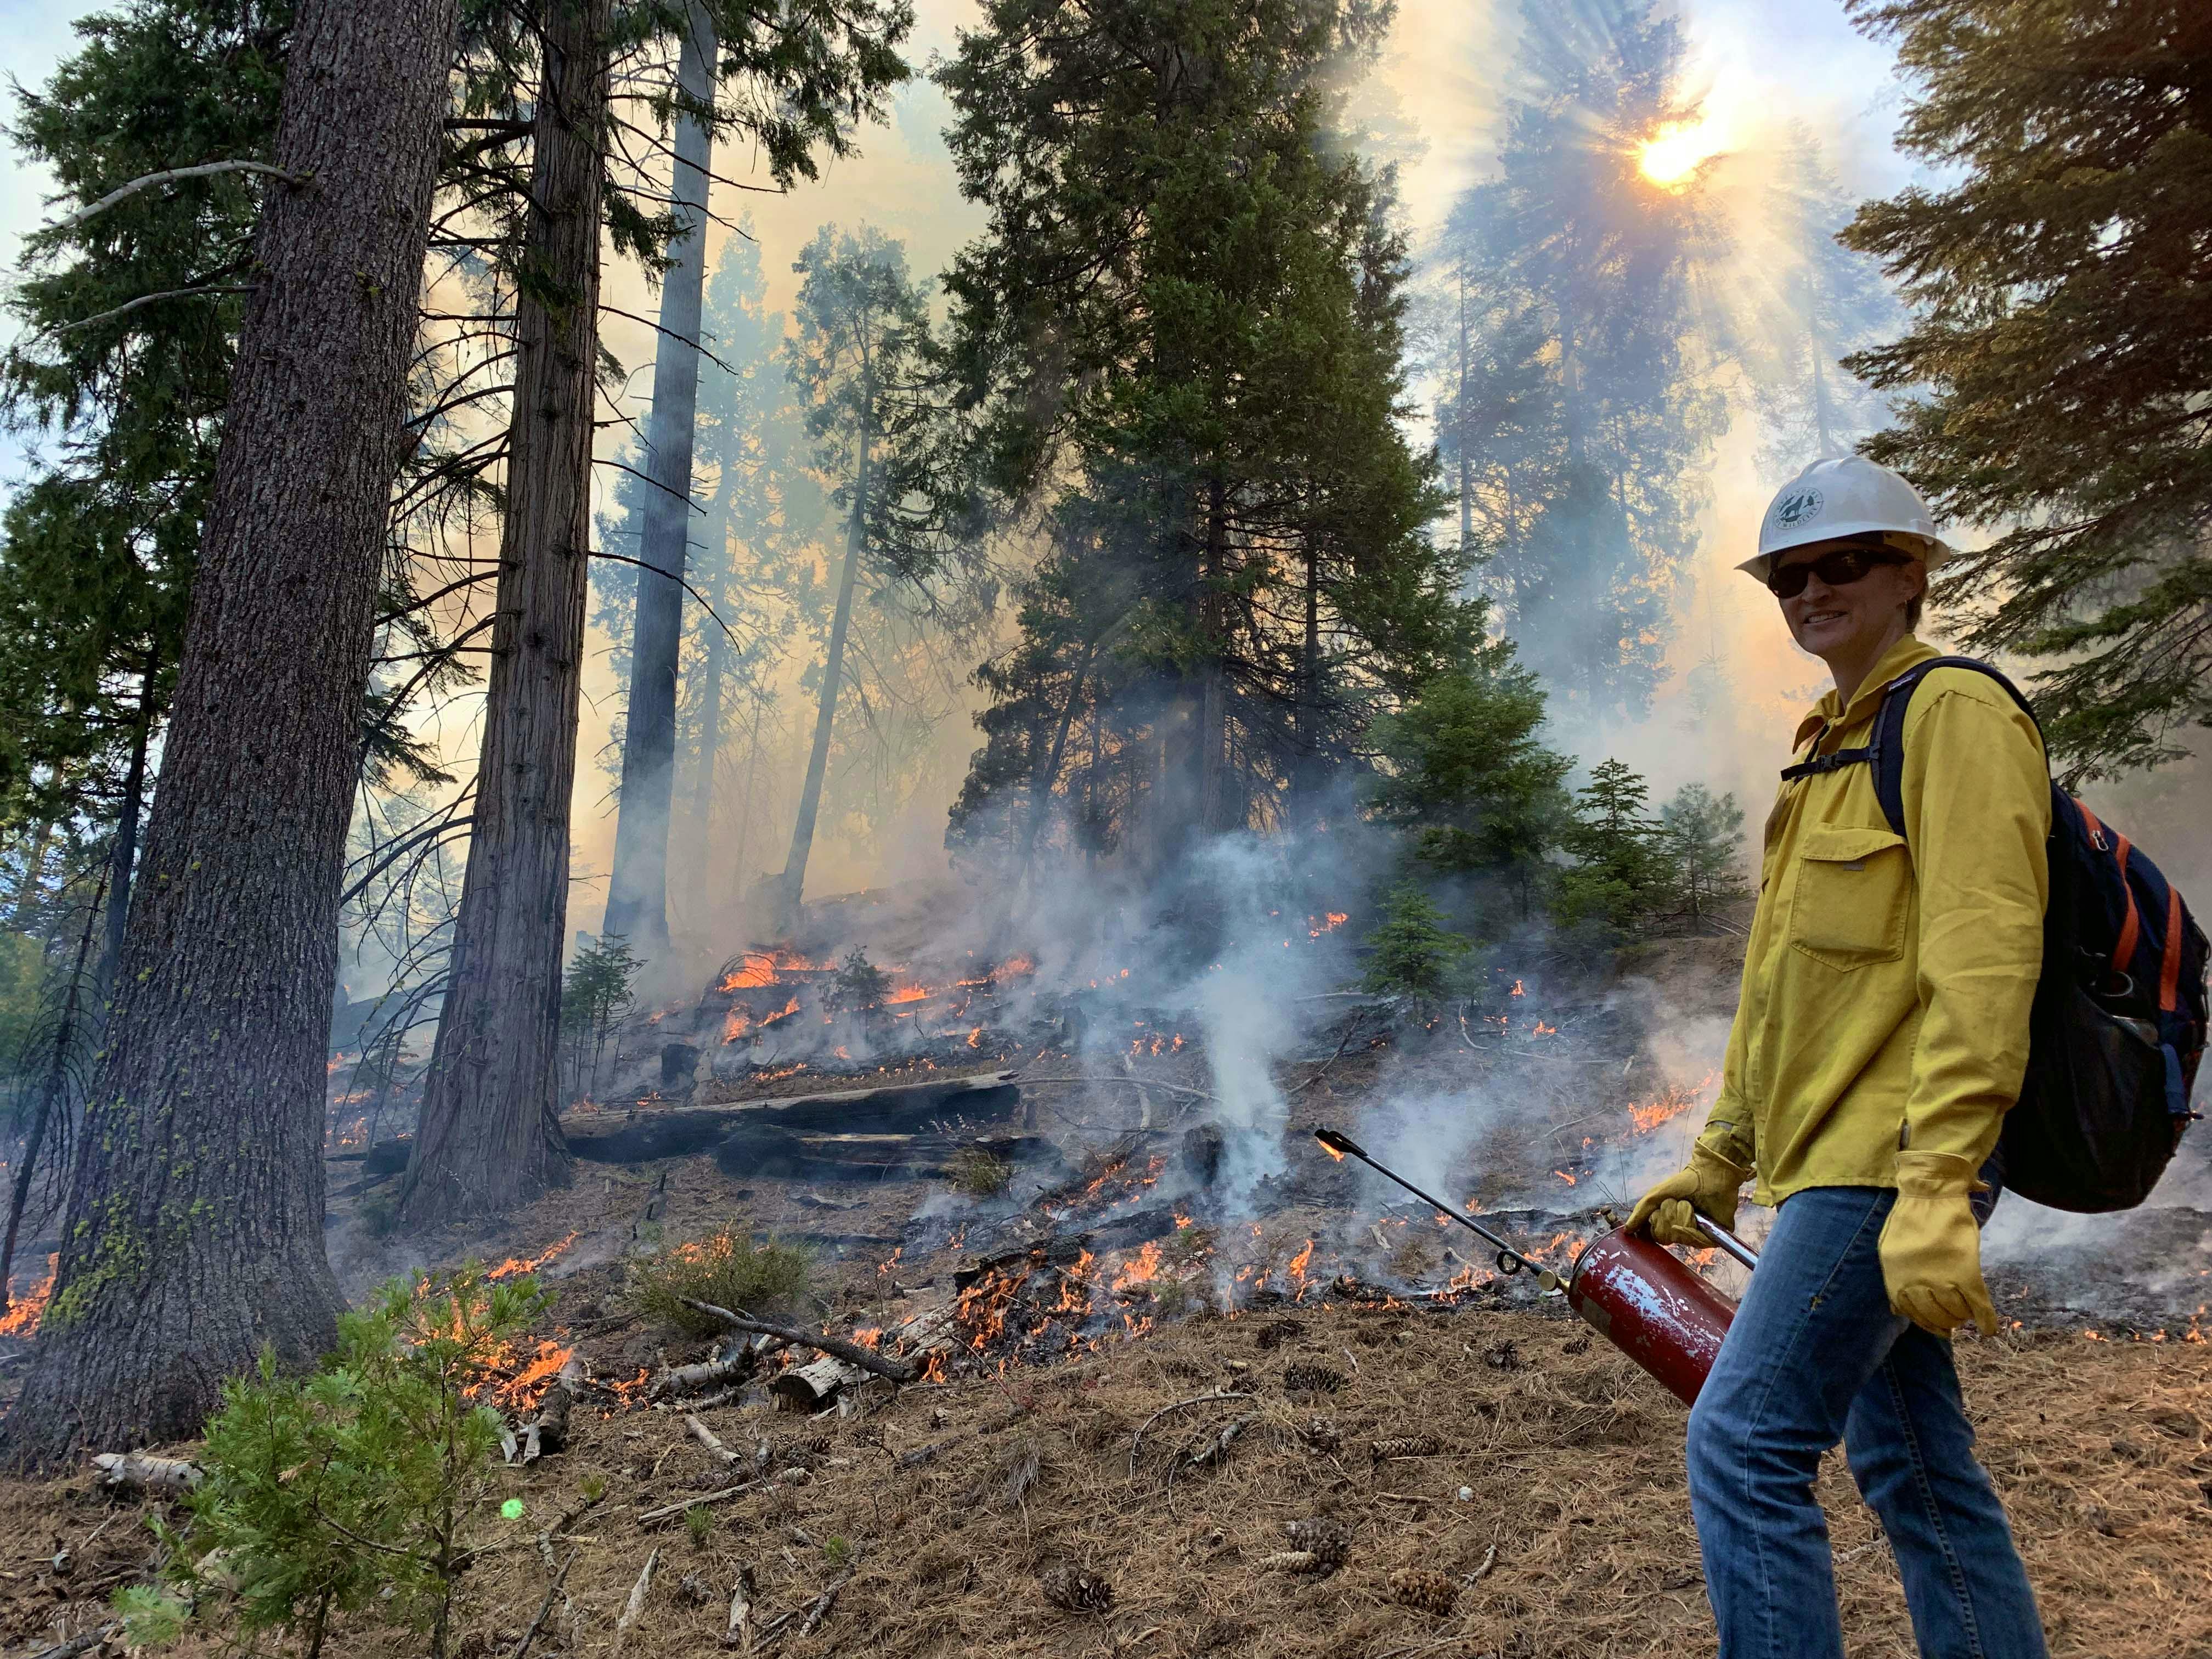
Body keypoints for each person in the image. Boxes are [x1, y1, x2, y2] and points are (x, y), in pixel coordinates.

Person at [1628, 455, 2050, 1659]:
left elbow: (1985, 962)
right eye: (1790, 575)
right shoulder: (1828, 745)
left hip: (1889, 1161)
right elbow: (1785, 993)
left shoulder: (1954, 714)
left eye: (1844, 564)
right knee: (1915, 1466)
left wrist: (1938, 1183)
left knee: (1744, 1439)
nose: (1812, 590)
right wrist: (1721, 1156)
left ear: (1911, 573)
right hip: (1828, 1165)